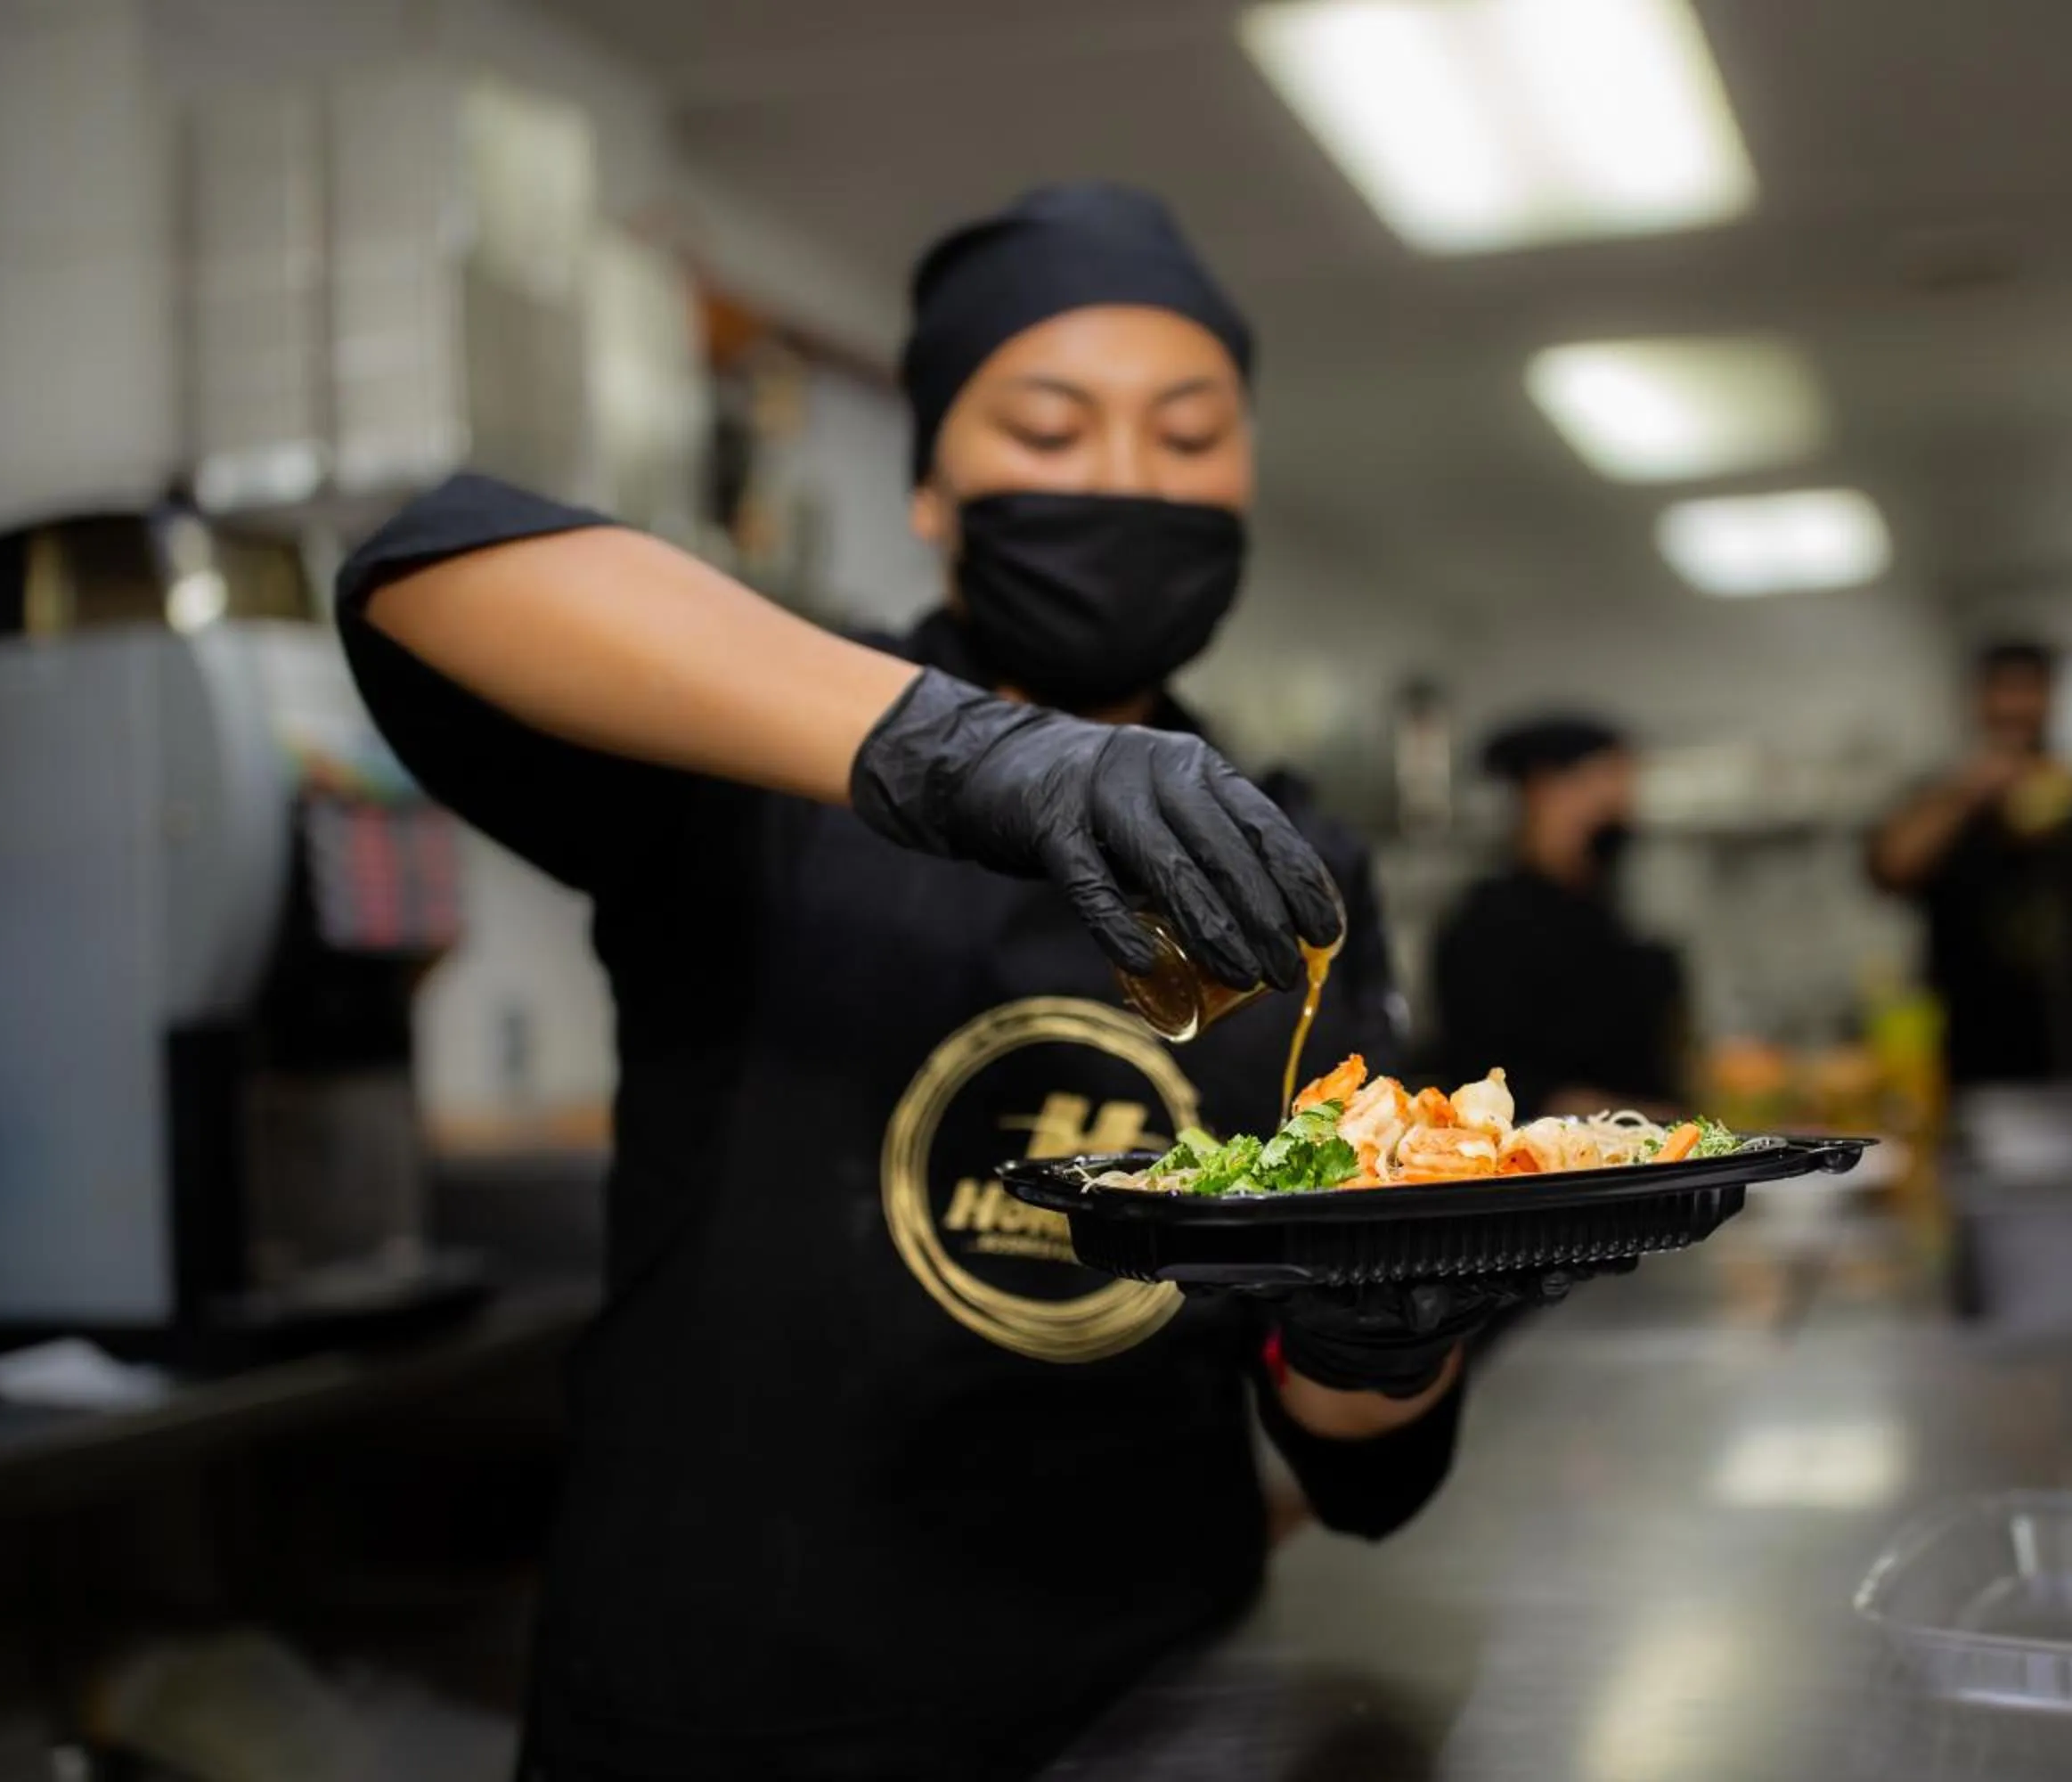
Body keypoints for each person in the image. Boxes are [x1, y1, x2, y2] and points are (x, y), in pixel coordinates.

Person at [339, 184, 1513, 1781]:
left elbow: (1361, 1468)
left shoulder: (1292, 864)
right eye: (1048, 426)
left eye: (1187, 437)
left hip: (1150, 1703)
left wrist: (1382, 1347)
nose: (1123, 476)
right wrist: (966, 752)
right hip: (728, 1706)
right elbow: (426, 567)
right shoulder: (760, 760)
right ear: (929, 491)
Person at [1867, 639, 2072, 1086]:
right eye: (2003, 691)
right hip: (1970, 1047)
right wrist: (1966, 795)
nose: (2015, 707)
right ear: (1977, 701)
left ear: (2051, 698)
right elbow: (1889, 870)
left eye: (2029, 691)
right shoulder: (1941, 794)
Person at [1429, 715, 1687, 1117]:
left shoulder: (1611, 918)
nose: (1619, 810)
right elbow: (1483, 1079)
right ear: (1542, 792)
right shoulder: (1486, 927)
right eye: (1598, 787)